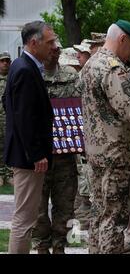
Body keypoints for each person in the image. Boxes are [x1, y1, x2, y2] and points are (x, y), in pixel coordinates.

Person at [80, 19, 130, 254]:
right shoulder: (114, 67)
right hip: (116, 156)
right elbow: (128, 110)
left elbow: (105, 100)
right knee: (114, 218)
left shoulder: (93, 63)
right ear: (122, 39)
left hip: (96, 152)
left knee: (99, 212)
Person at [3, 21, 56, 254]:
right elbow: (24, 117)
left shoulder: (21, 65)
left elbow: (7, 102)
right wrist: (36, 153)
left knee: (26, 217)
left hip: (24, 153)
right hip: (28, 158)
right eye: (50, 41)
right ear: (34, 43)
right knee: (24, 219)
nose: (54, 47)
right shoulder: (25, 69)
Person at [31, 40, 80, 254]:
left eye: (58, 49)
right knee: (38, 207)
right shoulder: (31, 75)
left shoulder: (71, 76)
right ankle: (41, 246)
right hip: (39, 155)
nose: (55, 52)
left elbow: (82, 108)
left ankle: (59, 246)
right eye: (51, 49)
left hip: (65, 156)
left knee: (65, 205)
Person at [0, 51, 12, 186]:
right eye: (2, 61)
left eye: (7, 61)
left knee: (9, 145)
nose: (5, 63)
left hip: (9, 120)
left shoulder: (13, 78)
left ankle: (9, 173)